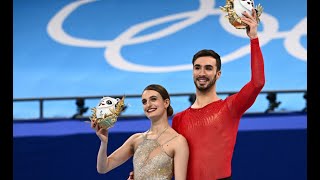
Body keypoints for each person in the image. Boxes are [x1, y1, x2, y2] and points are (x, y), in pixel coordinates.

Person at [171, 9, 265, 180]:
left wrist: (254, 39)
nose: (202, 73)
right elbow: (171, 163)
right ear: (192, 71)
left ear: (218, 74)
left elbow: (258, 83)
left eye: (208, 68)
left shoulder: (230, 107)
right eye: (197, 67)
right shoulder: (179, 119)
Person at [91, 84, 189, 180]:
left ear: (166, 103)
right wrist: (104, 143)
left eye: (153, 99)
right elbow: (103, 168)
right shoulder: (136, 139)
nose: (148, 105)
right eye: (144, 102)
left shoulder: (178, 142)